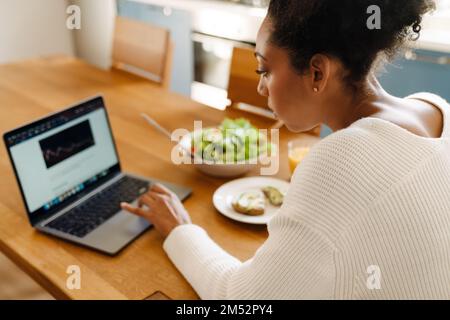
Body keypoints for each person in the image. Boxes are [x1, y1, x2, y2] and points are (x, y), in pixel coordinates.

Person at [122, 0, 450, 299]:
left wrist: (180, 229)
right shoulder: (434, 109)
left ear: (317, 73)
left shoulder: (342, 161)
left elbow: (242, 300)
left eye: (265, 69)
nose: (260, 86)